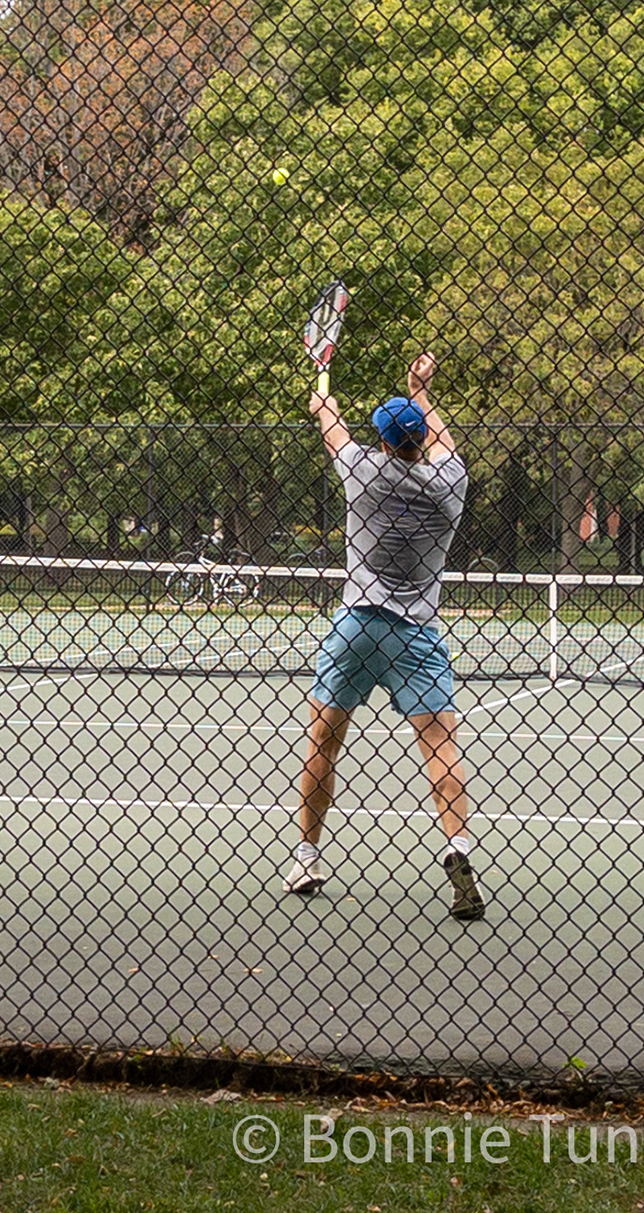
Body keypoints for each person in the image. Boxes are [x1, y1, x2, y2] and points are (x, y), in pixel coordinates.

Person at [288, 351, 483, 922]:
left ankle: (306, 855)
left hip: (357, 628)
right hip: (417, 634)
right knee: (440, 748)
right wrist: (420, 390)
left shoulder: (363, 473)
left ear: (380, 441)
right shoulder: (450, 484)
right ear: (421, 439)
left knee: (323, 740)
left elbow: (327, 419)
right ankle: (457, 849)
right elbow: (445, 444)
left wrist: (321, 389)